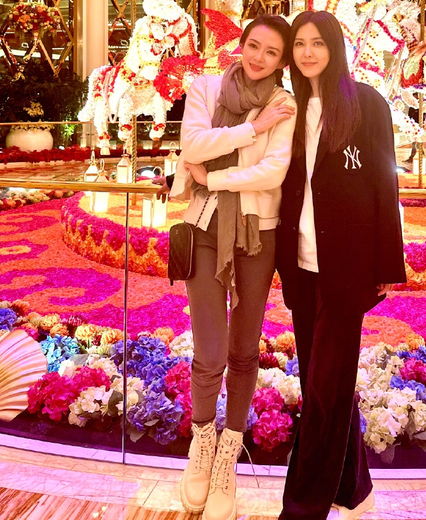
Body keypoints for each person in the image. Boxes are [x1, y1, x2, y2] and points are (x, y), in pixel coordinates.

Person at [275, 11, 406, 520]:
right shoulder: (287, 107)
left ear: (335, 48)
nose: (307, 52)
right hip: (300, 265)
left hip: (346, 267)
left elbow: (384, 184)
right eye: (299, 44)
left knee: (323, 392)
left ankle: (302, 508)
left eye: (318, 43)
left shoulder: (366, 104)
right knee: (323, 384)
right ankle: (353, 487)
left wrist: (385, 264)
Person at [165, 14, 297, 520]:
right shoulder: (205, 88)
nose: (259, 57)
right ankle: (202, 445)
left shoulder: (285, 103)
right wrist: (253, 128)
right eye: (254, 46)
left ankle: (228, 457)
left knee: (243, 350)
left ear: (282, 62)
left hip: (258, 235)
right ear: (241, 45)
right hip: (204, 228)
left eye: (272, 52)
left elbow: (274, 172)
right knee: (210, 349)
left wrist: (214, 180)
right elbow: (193, 145)